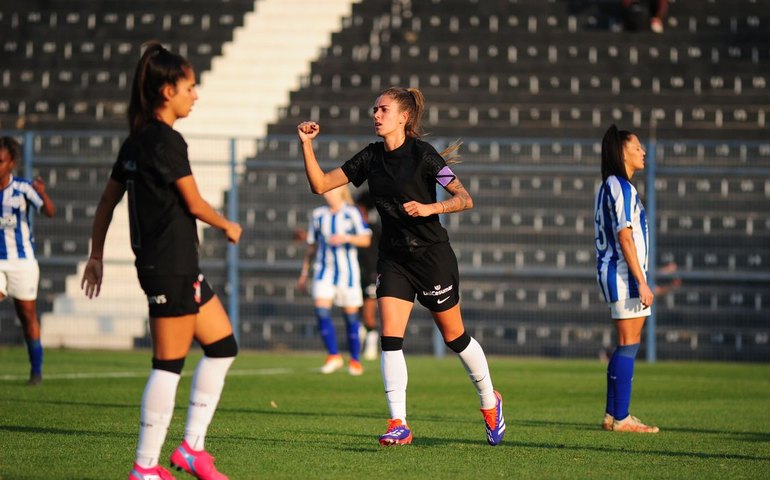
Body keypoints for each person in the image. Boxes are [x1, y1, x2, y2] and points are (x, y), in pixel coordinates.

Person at [296, 87, 505, 447]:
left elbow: (464, 199)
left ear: (404, 117)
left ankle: (490, 401)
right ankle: (399, 423)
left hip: (431, 256)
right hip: (393, 258)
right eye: (374, 109)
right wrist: (306, 144)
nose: (376, 115)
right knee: (390, 340)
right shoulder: (370, 158)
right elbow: (320, 185)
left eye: (383, 109)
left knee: (455, 338)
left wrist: (430, 209)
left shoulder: (424, 156)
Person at [81, 41, 242, 480]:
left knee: (223, 346)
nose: (196, 94)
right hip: (168, 266)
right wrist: (227, 224)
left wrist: (96, 256)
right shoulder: (165, 141)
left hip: (176, 265)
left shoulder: (136, 140)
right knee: (168, 365)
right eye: (190, 86)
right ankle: (146, 468)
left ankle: (191, 449)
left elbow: (105, 204)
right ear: (167, 90)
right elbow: (192, 202)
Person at [594, 124, 659, 433]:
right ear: (622, 153)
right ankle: (621, 418)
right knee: (628, 344)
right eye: (637, 147)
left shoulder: (611, 185)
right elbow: (625, 236)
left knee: (625, 344)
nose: (643, 152)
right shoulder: (620, 186)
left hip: (617, 275)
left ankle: (612, 415)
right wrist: (641, 280)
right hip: (623, 276)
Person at [297, 184, 372, 375]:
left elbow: (366, 239)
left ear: (341, 192)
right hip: (324, 272)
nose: (327, 193)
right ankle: (333, 355)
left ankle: (355, 360)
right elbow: (312, 246)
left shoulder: (351, 213)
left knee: (350, 317)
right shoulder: (318, 214)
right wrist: (304, 273)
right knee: (321, 311)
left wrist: (346, 238)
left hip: (348, 275)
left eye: (331, 189)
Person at [0, 136, 55, 386]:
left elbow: (49, 211)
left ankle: (36, 370)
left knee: (27, 316)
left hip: (22, 262)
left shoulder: (22, 189)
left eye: (0, 161)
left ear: (11, 163)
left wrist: (42, 195)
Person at [354, 189, 381, 361]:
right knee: (355, 309)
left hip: (371, 273)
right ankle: (361, 335)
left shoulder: (376, 228)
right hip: (354, 272)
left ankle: (371, 341)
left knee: (369, 312)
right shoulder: (353, 227)